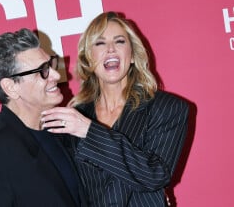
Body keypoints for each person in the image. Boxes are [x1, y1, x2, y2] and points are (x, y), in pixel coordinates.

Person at [41, 11, 189, 207]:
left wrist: (90, 132)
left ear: (133, 55)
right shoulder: (75, 115)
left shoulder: (167, 108)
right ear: (88, 60)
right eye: (100, 43)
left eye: (119, 41)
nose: (110, 49)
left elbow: (154, 174)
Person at [0, 28, 86, 207]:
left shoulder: (63, 128)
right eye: (43, 71)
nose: (57, 75)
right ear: (10, 87)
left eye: (51, 65)